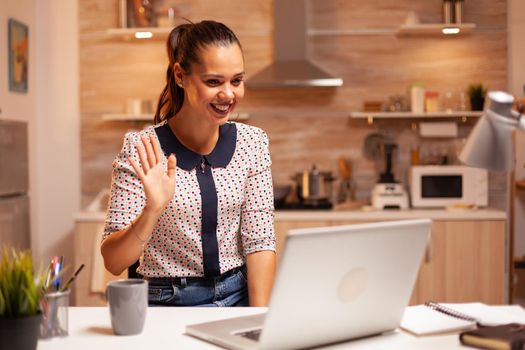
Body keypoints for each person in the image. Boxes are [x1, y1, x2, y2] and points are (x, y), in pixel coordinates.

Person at [101, 20, 276, 307]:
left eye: (237, 80)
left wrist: (258, 324)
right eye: (213, 81)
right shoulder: (143, 148)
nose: (229, 94)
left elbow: (260, 242)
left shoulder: (252, 143)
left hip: (237, 298)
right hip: (168, 302)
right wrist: (152, 210)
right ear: (181, 76)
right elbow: (113, 261)